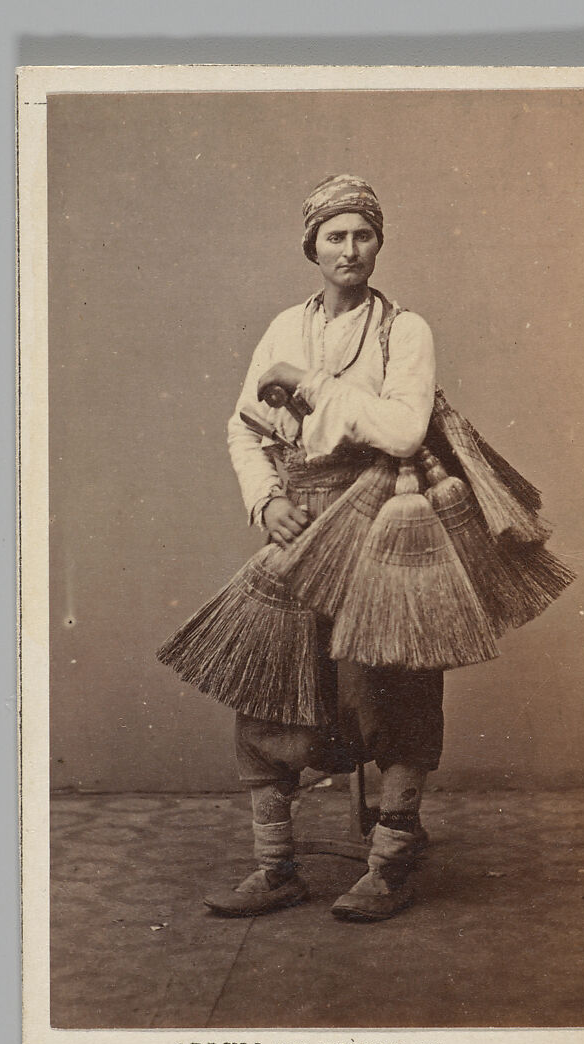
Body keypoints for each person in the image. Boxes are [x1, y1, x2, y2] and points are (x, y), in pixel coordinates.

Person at [203, 174, 443, 922]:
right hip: (299, 524)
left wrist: (306, 386)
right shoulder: (284, 327)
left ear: (379, 242)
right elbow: (244, 425)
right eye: (335, 236)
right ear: (313, 246)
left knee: (393, 689)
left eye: (363, 234)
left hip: (380, 524)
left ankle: (391, 864)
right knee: (270, 689)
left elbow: (404, 432)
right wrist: (265, 499)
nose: (350, 249)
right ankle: (276, 869)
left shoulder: (405, 330)